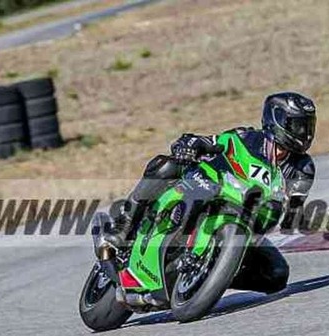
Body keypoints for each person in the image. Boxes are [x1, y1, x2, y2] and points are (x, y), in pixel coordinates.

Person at [104, 92, 316, 294]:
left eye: (308, 126)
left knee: (277, 274)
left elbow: (294, 206)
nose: (304, 133)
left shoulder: (303, 168)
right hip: (218, 192)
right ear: (276, 120)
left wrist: (292, 216)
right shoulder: (246, 137)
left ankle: (212, 276)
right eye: (298, 125)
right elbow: (211, 142)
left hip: (251, 223)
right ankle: (125, 223)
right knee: (166, 166)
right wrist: (190, 144)